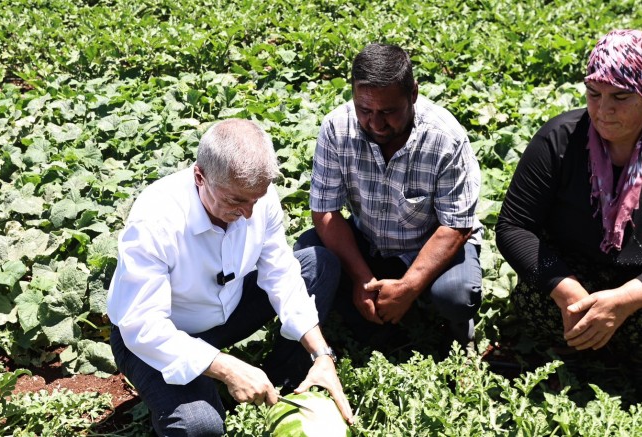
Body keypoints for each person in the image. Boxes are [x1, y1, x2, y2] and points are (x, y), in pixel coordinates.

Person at [496, 29, 642, 404]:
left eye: (620, 97)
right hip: (569, 270)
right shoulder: (559, 138)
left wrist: (624, 301)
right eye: (594, 94)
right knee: (536, 305)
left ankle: (640, 359)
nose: (603, 110)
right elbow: (514, 226)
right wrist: (566, 291)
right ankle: (570, 349)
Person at [107, 119, 354, 436]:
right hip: (155, 335)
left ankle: (284, 384)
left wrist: (321, 353)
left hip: (225, 310)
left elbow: (281, 275)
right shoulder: (156, 220)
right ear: (200, 176)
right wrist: (226, 367)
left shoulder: (256, 198)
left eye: (256, 199)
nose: (249, 213)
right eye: (236, 201)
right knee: (201, 427)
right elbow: (141, 326)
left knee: (316, 266)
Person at [294, 43, 483, 349]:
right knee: (307, 257)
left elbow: (457, 225)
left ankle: (455, 333)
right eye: (365, 110)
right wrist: (361, 278)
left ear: (413, 95)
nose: (376, 123)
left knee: (455, 295)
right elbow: (325, 212)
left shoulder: (445, 138)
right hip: (368, 241)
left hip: (429, 246)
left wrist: (409, 287)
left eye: (388, 112)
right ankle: (362, 324)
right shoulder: (336, 128)